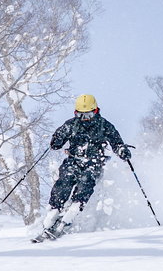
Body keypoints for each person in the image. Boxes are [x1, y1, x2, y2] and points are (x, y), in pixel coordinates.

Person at [39, 94, 131, 237]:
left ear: (95, 111)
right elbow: (56, 143)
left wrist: (121, 150)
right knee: (64, 180)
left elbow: (116, 141)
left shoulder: (104, 125)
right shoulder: (71, 124)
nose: (85, 118)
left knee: (86, 180)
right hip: (74, 159)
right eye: (81, 115)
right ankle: (54, 210)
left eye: (88, 114)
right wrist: (57, 139)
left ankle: (74, 208)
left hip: (94, 162)